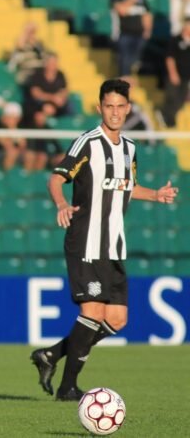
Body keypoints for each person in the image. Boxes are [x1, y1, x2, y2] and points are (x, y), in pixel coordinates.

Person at [31, 79, 179, 401]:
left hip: (114, 245)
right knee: (93, 312)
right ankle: (67, 387)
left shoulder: (130, 149)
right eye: (108, 106)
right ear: (100, 108)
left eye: (120, 106)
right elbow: (55, 178)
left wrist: (155, 194)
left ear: (128, 109)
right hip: (86, 241)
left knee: (117, 319)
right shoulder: (87, 142)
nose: (114, 112)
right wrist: (60, 204)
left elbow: (126, 186)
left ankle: (52, 355)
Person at [111, 0, 152, 77]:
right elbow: (121, 11)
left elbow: (147, 14)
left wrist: (147, 30)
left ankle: (129, 77)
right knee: (125, 58)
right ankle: (124, 78)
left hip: (139, 34)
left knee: (135, 60)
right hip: (125, 33)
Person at [160, 19, 190, 128]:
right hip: (175, 75)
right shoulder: (175, 40)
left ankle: (170, 120)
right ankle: (165, 118)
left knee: (181, 100)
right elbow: (170, 58)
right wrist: (173, 73)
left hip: (186, 77)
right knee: (172, 97)